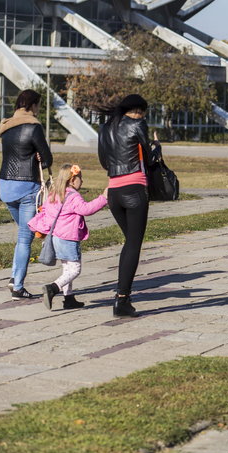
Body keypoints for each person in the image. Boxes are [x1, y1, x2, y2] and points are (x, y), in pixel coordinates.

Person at [97, 94, 160, 318]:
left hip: (114, 191)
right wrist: (156, 146)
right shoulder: (137, 124)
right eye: (143, 113)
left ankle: (123, 297)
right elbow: (150, 160)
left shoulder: (105, 129)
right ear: (138, 111)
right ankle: (122, 299)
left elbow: (104, 161)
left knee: (130, 243)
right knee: (133, 245)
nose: (143, 116)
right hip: (134, 189)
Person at [30, 164, 108, 310]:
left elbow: (45, 210)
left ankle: (69, 298)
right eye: (80, 178)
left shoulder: (54, 193)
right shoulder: (72, 196)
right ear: (72, 180)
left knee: (67, 268)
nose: (82, 181)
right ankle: (53, 288)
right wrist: (103, 198)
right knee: (75, 269)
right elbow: (86, 209)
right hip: (68, 238)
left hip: (55, 237)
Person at [0, 89, 52, 300]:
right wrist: (40, 157)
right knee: (24, 238)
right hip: (27, 186)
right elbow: (47, 159)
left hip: (5, 185)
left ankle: (14, 278)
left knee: (23, 233)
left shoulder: (6, 127)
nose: (38, 110)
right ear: (33, 105)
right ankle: (17, 285)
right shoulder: (34, 127)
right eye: (38, 105)